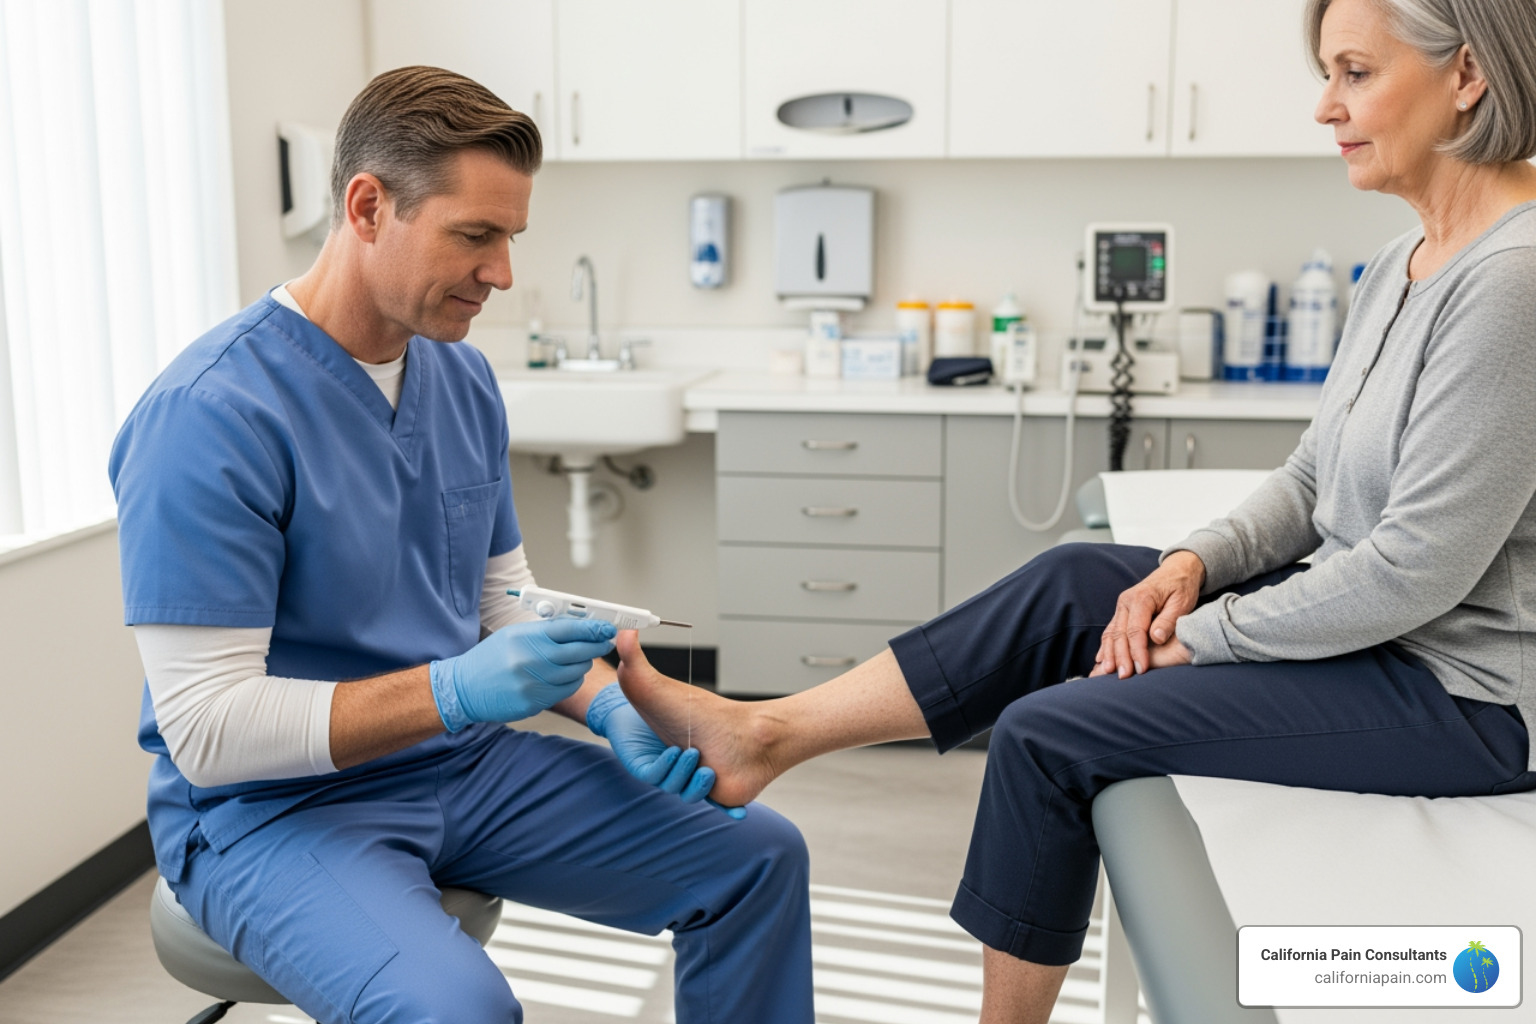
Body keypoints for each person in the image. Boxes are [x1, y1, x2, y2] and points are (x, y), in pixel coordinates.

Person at [616, 1, 1536, 1020]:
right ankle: (767, 734)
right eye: (1327, 74)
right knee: (1072, 581)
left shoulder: (1513, 281)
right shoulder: (1401, 265)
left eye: (1355, 72)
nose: (1325, 106)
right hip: (1383, 635)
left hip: (1468, 696)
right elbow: (1314, 480)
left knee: (1046, 736)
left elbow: (1415, 570)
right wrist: (1191, 562)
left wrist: (1206, 635)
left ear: (1468, 76)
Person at [110, 66, 812, 1024]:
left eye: (512, 238)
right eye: (475, 236)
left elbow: (498, 603)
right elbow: (209, 731)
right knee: (456, 1010)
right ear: (368, 206)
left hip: (457, 764)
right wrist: (453, 689)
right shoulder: (211, 417)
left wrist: (609, 709)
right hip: (272, 810)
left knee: (756, 857)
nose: (503, 273)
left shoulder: (462, 378)